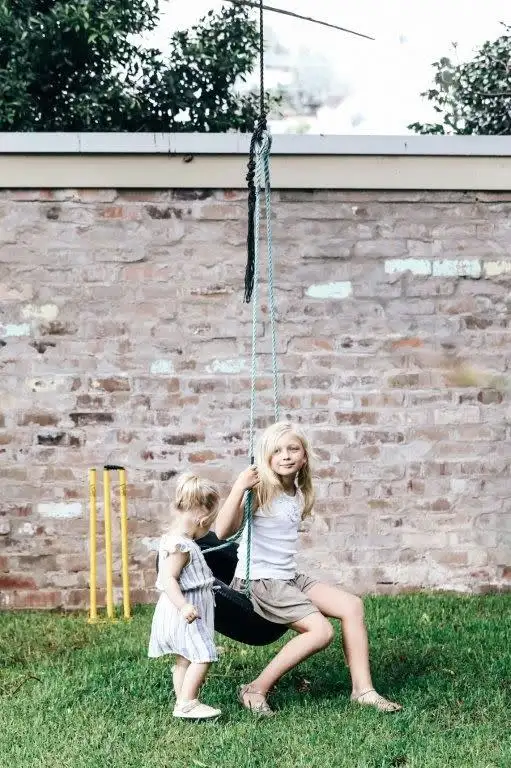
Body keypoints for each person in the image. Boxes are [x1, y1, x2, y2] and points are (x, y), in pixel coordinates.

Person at [215, 421, 402, 716]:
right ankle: (255, 688)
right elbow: (222, 531)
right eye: (277, 451)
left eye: (293, 449)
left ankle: (363, 690)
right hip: (260, 582)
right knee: (321, 632)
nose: (286, 456)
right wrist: (239, 487)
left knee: (352, 606)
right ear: (266, 458)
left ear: (304, 456)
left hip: (288, 577)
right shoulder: (262, 490)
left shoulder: (297, 492)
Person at [148, 472, 221, 720]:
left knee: (184, 658)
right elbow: (168, 578)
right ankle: (188, 703)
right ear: (202, 519)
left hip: (183, 610)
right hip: (186, 611)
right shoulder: (182, 546)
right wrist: (183, 606)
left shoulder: (176, 540)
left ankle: (182, 702)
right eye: (210, 524)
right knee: (204, 654)